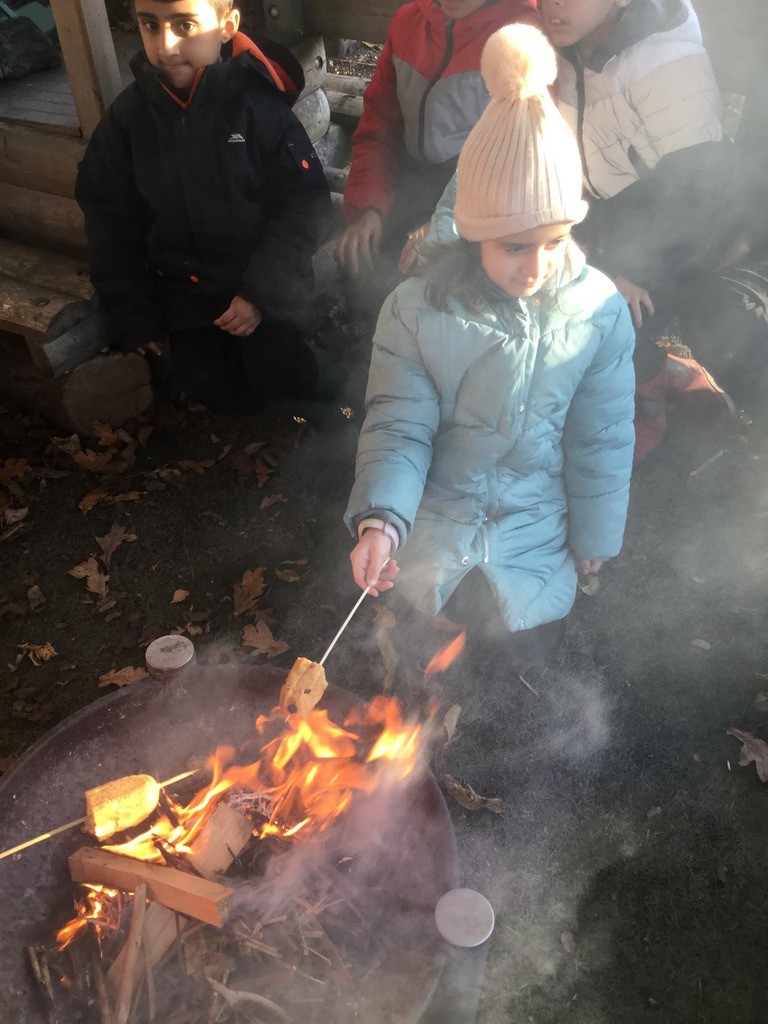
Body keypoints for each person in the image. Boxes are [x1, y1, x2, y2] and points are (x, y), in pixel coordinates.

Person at [344, 24, 635, 675]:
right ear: (475, 230)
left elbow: (601, 436)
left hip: (536, 542)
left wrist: (595, 538)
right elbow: (399, 428)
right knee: (429, 671)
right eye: (514, 245)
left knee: (522, 671)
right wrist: (382, 523)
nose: (536, 266)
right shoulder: (418, 310)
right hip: (437, 535)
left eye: (554, 241)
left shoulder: (597, 311)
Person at [76, 0, 332, 418]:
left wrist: (260, 293)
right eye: (150, 25)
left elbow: (304, 203)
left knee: (283, 375)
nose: (167, 46)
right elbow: (108, 218)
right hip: (187, 295)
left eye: (185, 24)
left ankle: (315, 388)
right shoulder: (127, 120)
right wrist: (133, 310)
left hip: (263, 285)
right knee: (205, 386)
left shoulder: (259, 108)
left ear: (226, 25)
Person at [538, 0, 746, 459]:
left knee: (608, 311)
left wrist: (630, 269)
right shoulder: (572, 45)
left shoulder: (662, 59)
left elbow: (698, 198)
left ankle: (641, 413)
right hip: (622, 221)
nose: (554, 3)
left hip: (691, 237)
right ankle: (663, 377)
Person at [334, 0, 540, 285]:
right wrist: (368, 206)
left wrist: (448, 225)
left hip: (482, 207)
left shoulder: (524, 37)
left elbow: (521, 162)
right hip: (410, 182)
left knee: (440, 294)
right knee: (361, 272)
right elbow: (379, 128)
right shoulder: (409, 22)